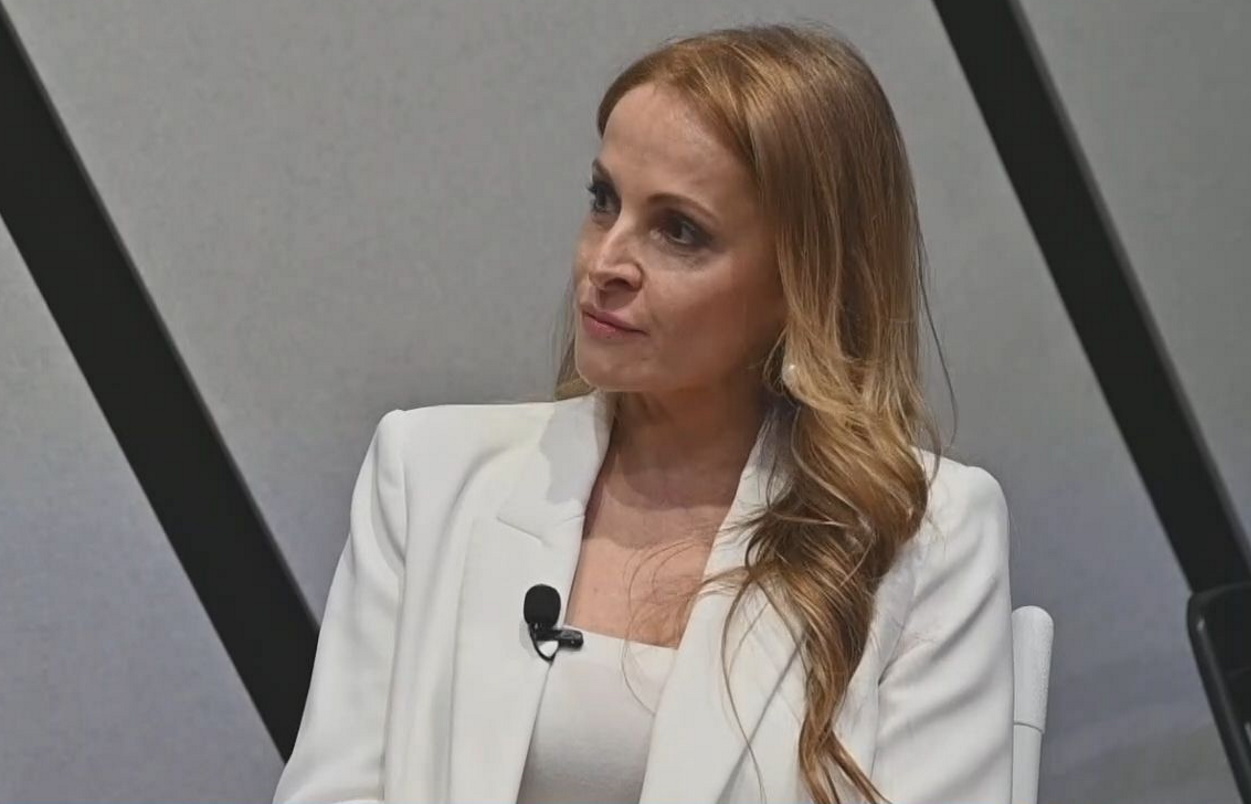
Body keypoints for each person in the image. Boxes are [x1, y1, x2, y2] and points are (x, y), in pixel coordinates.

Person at [272, 21, 1012, 804]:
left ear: (803, 281)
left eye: (679, 231)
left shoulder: (924, 535)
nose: (604, 263)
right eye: (604, 202)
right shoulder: (427, 473)